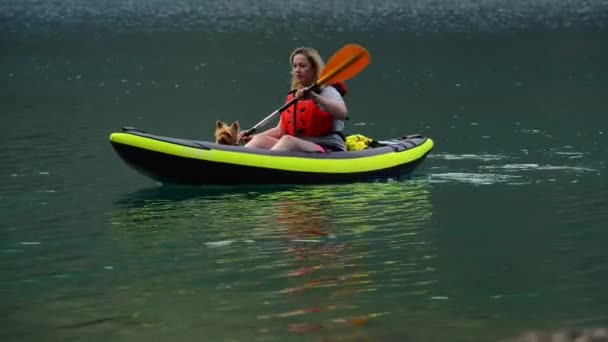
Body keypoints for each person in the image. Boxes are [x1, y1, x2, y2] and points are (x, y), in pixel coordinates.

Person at [242, 47, 348, 152]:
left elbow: (343, 114)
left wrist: (315, 98)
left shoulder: (327, 91)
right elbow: (280, 131)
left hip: (328, 147)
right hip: (299, 146)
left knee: (288, 140)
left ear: (314, 68)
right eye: (295, 66)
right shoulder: (295, 95)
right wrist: (251, 137)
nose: (297, 70)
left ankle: (264, 166)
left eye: (302, 66)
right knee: (259, 140)